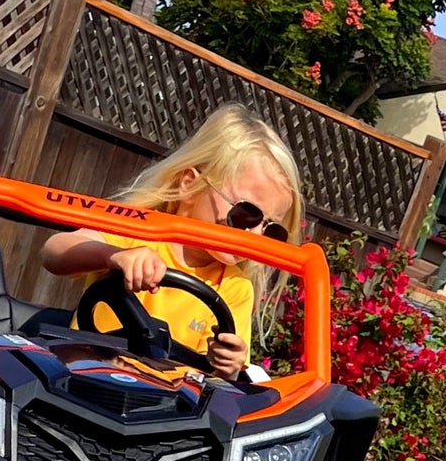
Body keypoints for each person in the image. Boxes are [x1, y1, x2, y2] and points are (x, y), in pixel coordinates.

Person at [40, 104, 303, 381]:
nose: (255, 235)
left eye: (272, 230)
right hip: (79, 381)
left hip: (162, 402)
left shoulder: (234, 287)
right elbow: (54, 251)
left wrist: (228, 366)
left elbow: (216, 381)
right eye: (246, 214)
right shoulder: (137, 234)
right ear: (189, 185)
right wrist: (113, 255)